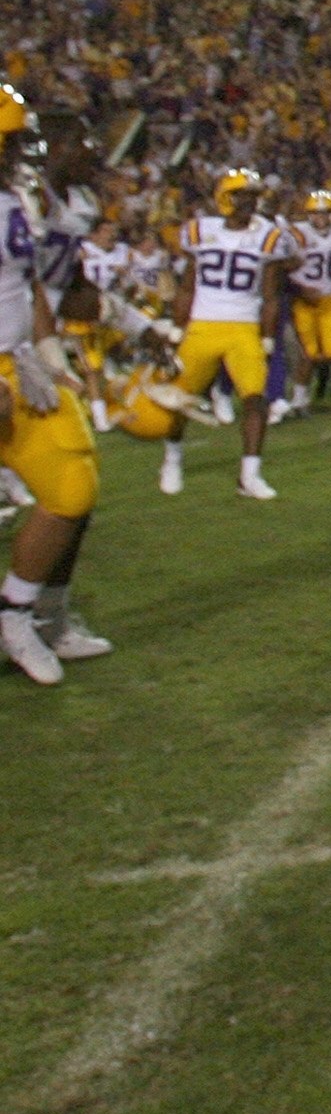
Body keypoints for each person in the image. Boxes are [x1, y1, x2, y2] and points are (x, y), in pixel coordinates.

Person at [1, 84, 109, 684]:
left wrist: (42, 352)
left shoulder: (16, 200)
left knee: (73, 487)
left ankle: (28, 615)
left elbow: (29, 285)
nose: (18, 152)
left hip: (16, 364)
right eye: (10, 142)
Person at [164, 167, 290, 500]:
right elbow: (187, 287)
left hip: (244, 326)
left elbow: (271, 294)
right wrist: (178, 328)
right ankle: (172, 457)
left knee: (255, 398)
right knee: (179, 401)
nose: (250, 203)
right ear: (225, 197)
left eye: (253, 196)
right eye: (243, 195)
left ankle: (249, 475)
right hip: (203, 325)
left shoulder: (268, 235)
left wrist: (268, 335)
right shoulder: (199, 231)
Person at [283, 188, 331, 413]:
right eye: (316, 213)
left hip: (330, 297)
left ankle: (304, 389)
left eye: (325, 213)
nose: (320, 218)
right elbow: (283, 265)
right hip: (305, 299)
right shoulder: (297, 234)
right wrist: (298, 288)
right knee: (309, 352)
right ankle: (300, 398)